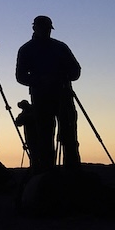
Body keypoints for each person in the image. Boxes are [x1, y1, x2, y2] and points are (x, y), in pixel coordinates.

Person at [16, 15, 81, 172]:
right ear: (35, 28)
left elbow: (76, 69)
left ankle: (73, 171)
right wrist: (40, 80)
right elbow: (20, 76)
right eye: (43, 28)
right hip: (41, 99)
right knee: (45, 136)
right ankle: (46, 172)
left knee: (69, 135)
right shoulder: (27, 49)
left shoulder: (60, 47)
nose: (46, 32)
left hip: (63, 95)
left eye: (47, 29)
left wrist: (66, 76)